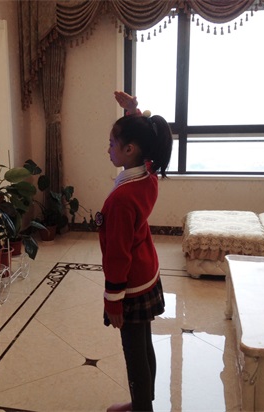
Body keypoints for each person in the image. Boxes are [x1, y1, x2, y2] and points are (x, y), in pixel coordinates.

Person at [98, 91, 173, 412]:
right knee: (144, 343)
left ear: (129, 150)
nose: (108, 149)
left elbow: (117, 255)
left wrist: (113, 299)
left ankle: (142, 408)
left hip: (130, 285)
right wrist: (133, 111)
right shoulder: (147, 174)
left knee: (135, 354)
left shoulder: (121, 200)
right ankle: (144, 402)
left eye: (112, 144)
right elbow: (143, 138)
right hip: (147, 272)